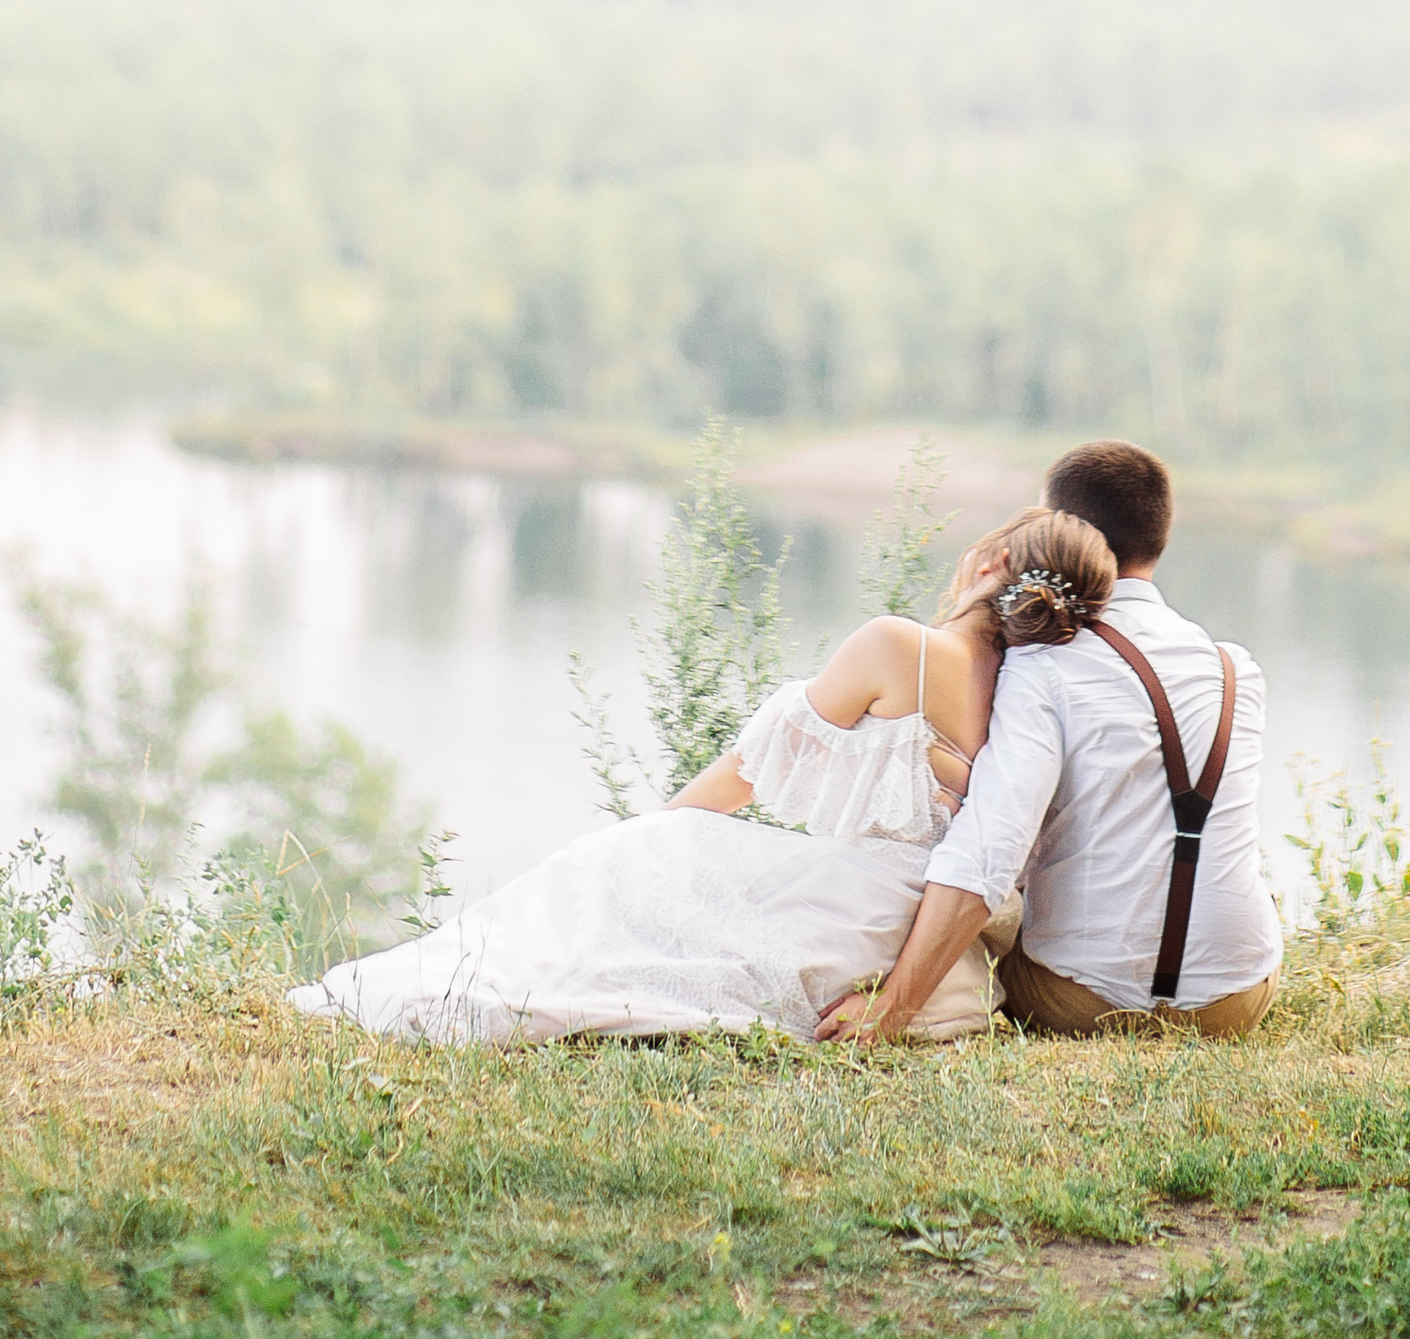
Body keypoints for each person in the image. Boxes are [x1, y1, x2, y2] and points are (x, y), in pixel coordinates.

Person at [287, 507, 1113, 1046]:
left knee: (622, 865)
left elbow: (750, 770)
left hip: (855, 906)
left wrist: (661, 835)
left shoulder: (903, 647)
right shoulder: (1040, 703)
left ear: (994, 558)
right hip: (922, 936)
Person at [815, 437, 1280, 1042]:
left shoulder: (1045, 664)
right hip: (1236, 1001)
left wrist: (895, 1007)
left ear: (1064, 530)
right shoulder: (1234, 668)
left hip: (1080, 1001)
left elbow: (991, 848)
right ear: (1159, 537)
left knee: (986, 947)